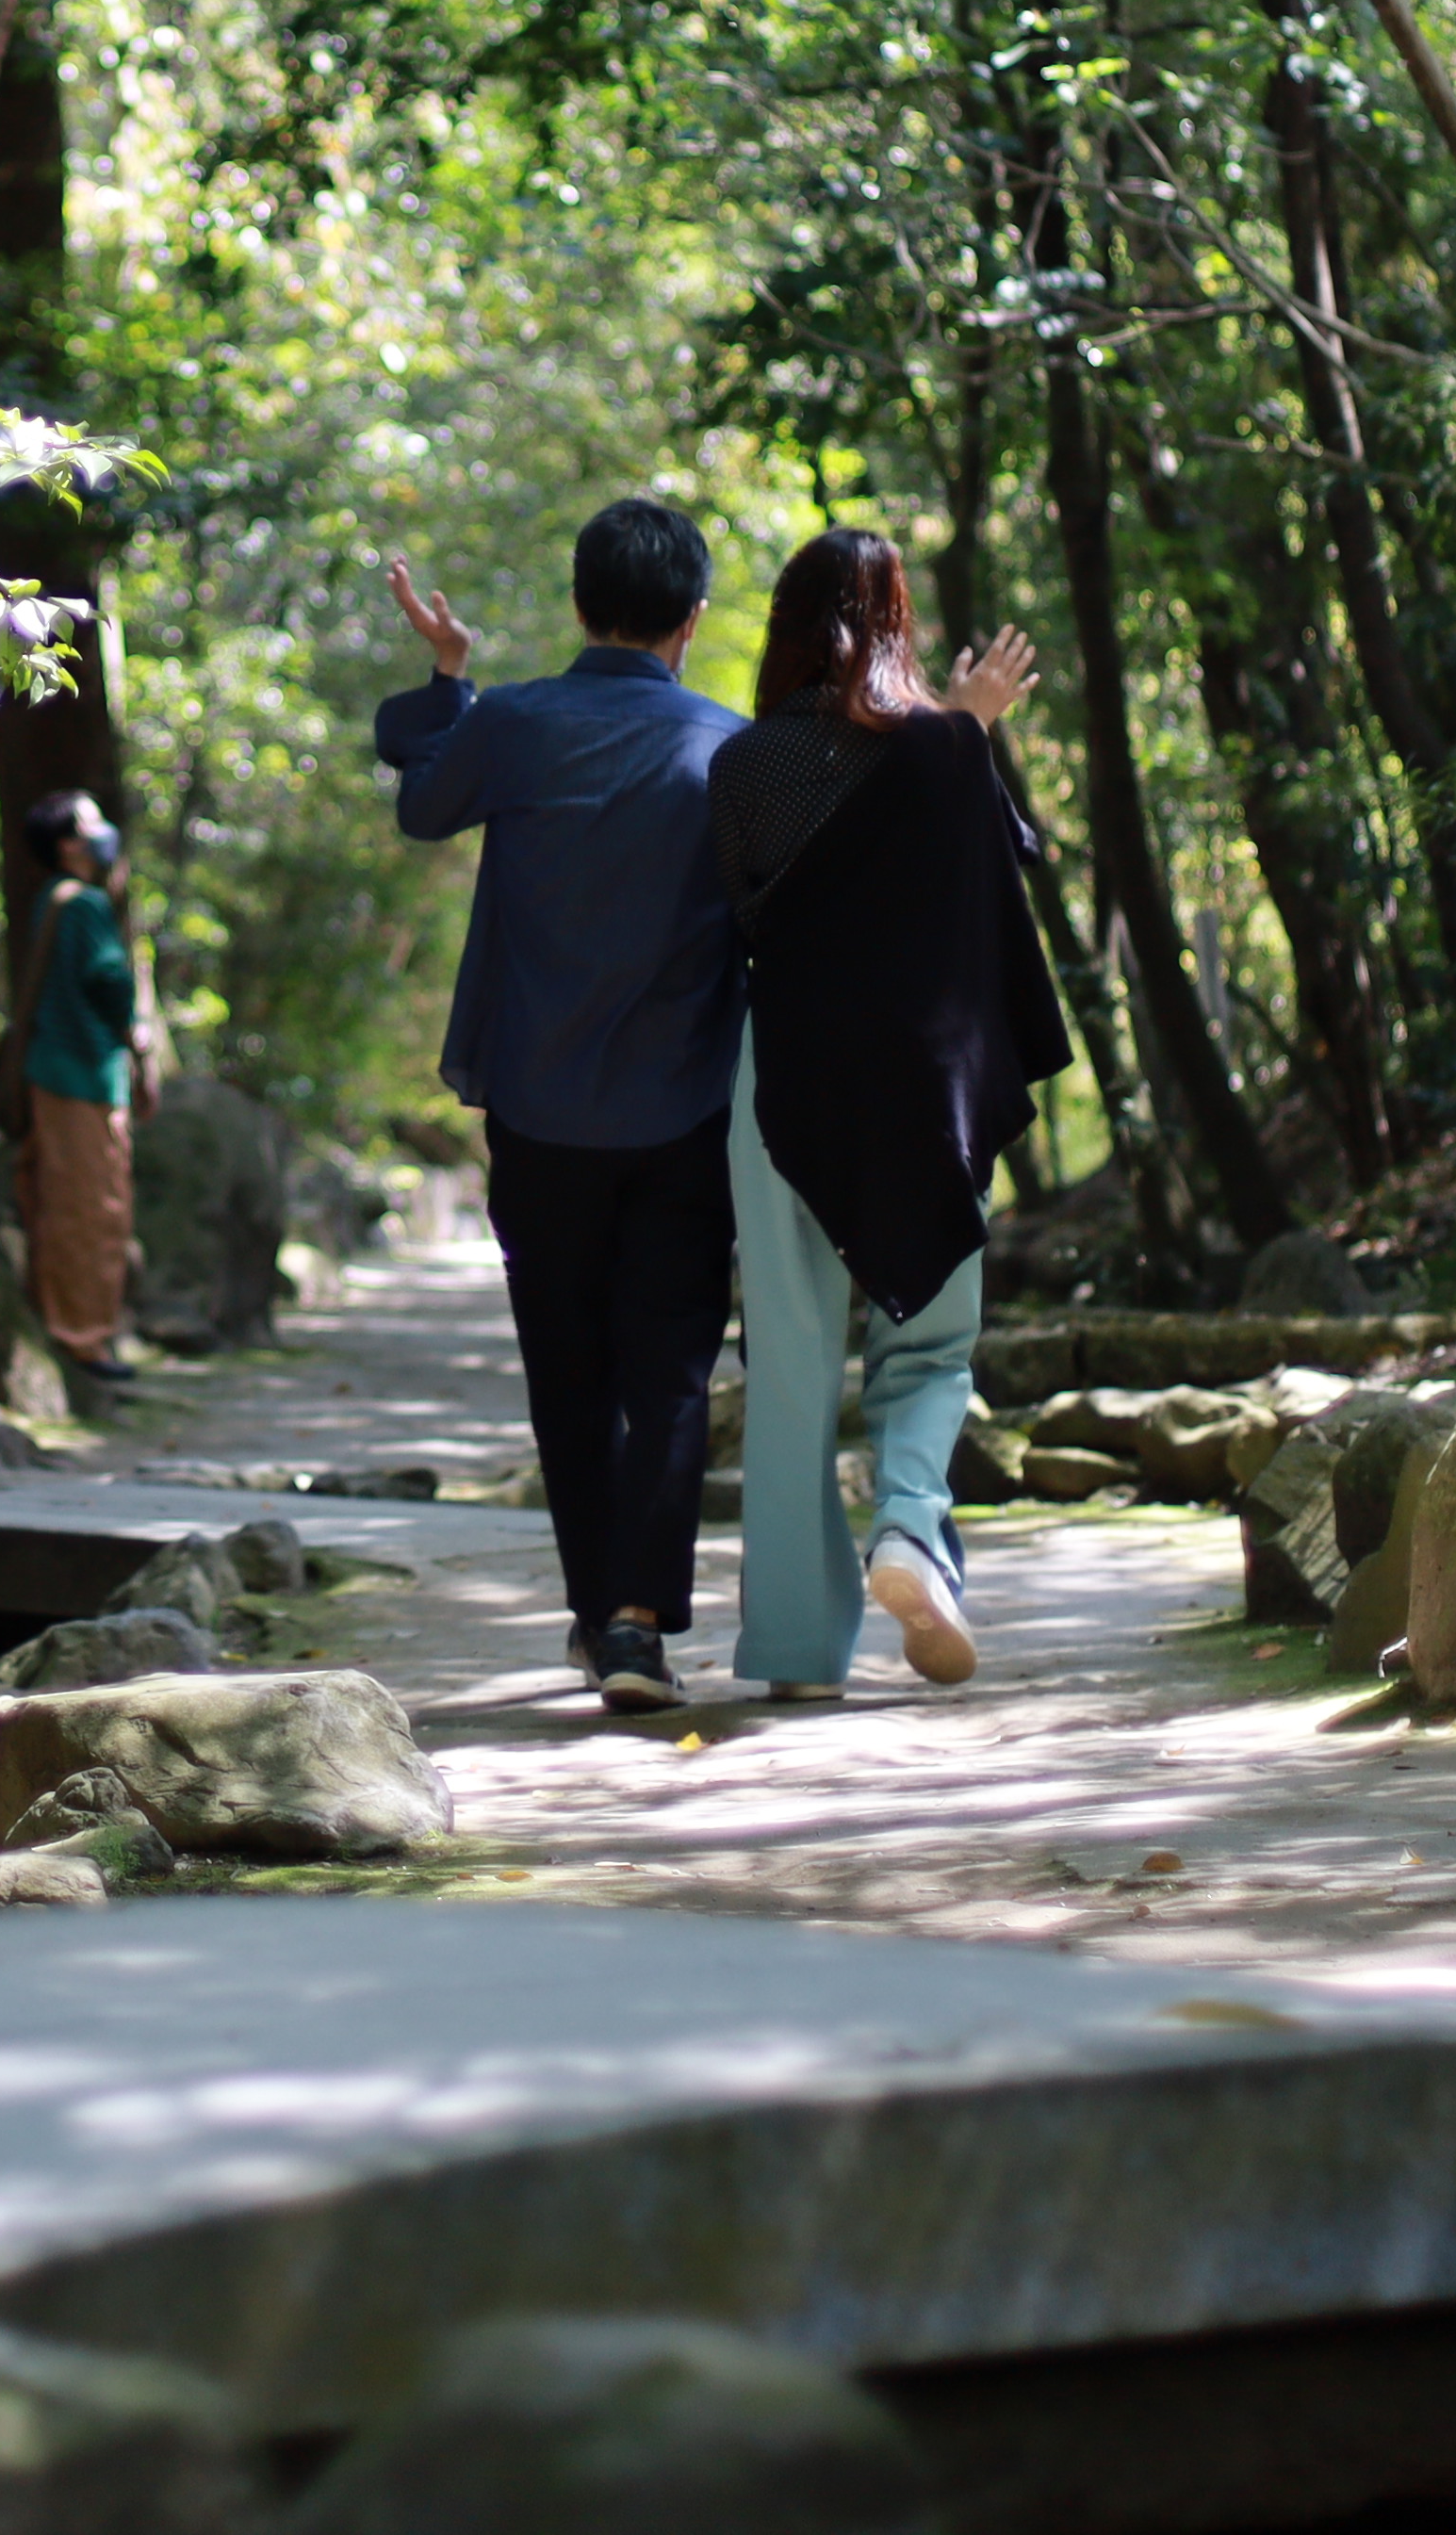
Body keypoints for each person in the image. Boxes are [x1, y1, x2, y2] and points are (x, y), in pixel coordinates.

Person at [376, 498, 747, 1713]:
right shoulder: (727, 748)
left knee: (568, 1371)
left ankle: (602, 1616)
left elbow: (423, 801)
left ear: (583, 604)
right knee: (673, 1372)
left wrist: (449, 676)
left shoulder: (518, 724)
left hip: (534, 1110)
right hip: (687, 1108)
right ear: (692, 620)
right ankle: (635, 1624)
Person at [708, 529, 1065, 1700]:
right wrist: (965, 731)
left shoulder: (743, 761)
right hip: (925, 1074)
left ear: (786, 626)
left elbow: (739, 911)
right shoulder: (937, 749)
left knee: (793, 1363)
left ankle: (801, 1650)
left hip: (785, 1074)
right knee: (930, 1335)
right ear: (896, 618)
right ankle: (910, 1525)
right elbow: (995, 883)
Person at [5, 788, 154, 1385]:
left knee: (68, 1205)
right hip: (81, 1076)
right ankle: (82, 1338)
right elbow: (110, 980)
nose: (104, 832)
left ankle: (71, 1326)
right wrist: (136, 1036)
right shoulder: (85, 905)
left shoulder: (54, 901)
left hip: (61, 1072)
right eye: (91, 823)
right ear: (68, 844)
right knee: (90, 1211)